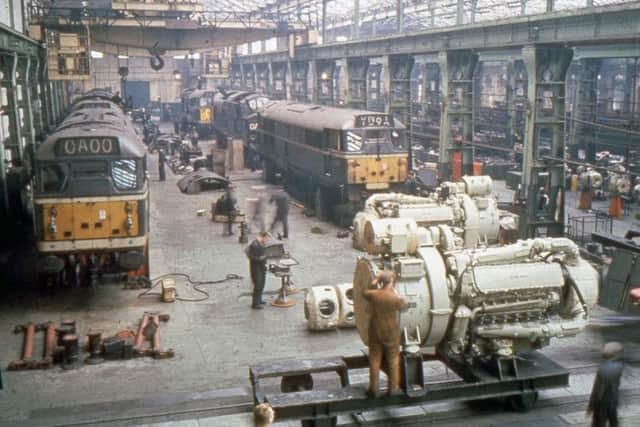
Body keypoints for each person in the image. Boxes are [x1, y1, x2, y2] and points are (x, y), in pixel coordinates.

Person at [362, 270, 408, 397]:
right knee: (393, 359)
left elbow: (364, 293)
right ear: (392, 281)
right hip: (391, 333)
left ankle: (373, 389)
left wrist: (374, 281)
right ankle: (393, 389)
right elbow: (405, 306)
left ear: (381, 282)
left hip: (375, 332)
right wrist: (396, 292)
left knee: (374, 359)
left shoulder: (374, 295)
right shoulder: (396, 298)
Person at [587, 342, 624, 427]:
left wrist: (591, 406)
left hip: (602, 403)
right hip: (613, 401)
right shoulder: (619, 366)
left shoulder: (603, 368)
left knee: (598, 423)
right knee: (614, 421)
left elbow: (598, 390)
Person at [246, 232, 269, 309]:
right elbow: (252, 257)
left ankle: (259, 300)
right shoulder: (255, 245)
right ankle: (255, 304)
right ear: (263, 237)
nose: (267, 241)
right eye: (266, 239)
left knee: (262, 284)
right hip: (256, 269)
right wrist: (262, 258)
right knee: (258, 285)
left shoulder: (261, 243)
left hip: (261, 267)